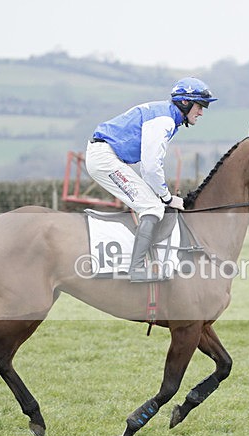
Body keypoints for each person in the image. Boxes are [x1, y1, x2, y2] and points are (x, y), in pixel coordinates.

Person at [85, 77, 217, 282]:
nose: (201, 112)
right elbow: (150, 168)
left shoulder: (166, 114)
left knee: (152, 203)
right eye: (200, 106)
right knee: (152, 207)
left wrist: (162, 195)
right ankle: (136, 268)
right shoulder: (164, 120)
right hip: (105, 158)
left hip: (107, 155)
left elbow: (149, 169)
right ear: (185, 102)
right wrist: (167, 197)